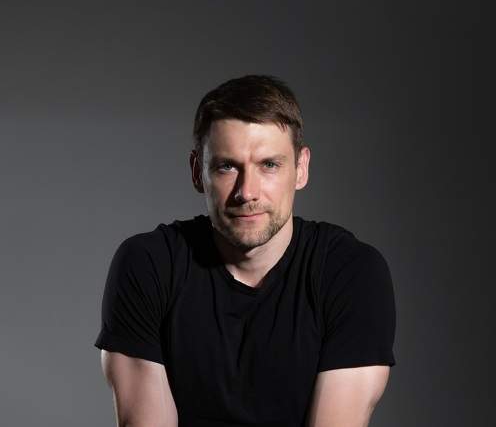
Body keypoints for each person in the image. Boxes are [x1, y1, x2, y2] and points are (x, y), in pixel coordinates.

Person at [94, 74, 397, 427]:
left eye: (269, 165)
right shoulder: (149, 265)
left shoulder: (350, 272)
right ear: (197, 172)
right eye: (227, 166)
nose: (247, 192)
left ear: (301, 169)